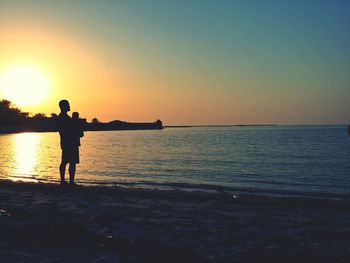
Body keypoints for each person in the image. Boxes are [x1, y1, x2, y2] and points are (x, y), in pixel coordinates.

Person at [57, 100, 83, 186]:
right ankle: (65, 181)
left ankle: (67, 181)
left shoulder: (66, 118)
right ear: (63, 106)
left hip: (69, 142)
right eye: (67, 105)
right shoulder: (63, 118)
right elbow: (67, 130)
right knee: (66, 162)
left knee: (70, 162)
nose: (69, 106)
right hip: (69, 142)